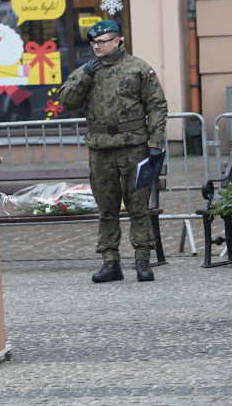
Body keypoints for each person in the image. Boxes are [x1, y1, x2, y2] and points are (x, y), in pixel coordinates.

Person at [56, 20, 168, 283]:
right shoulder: (86, 71)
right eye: (93, 43)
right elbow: (66, 102)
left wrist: (156, 141)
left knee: (138, 206)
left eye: (102, 42)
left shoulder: (138, 68)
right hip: (101, 148)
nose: (96, 47)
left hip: (134, 146)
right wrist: (85, 76)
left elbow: (157, 106)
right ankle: (110, 262)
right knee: (106, 208)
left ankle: (143, 260)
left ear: (117, 41)